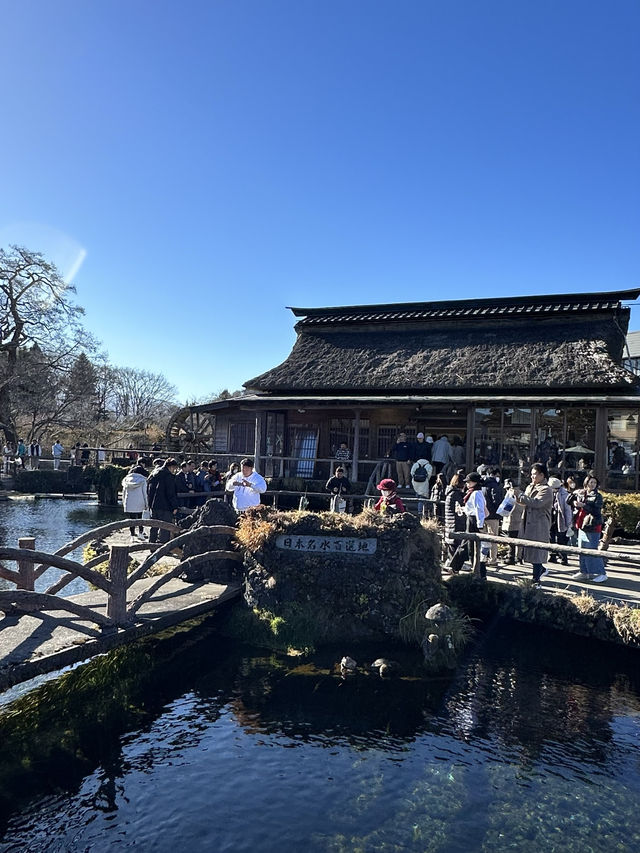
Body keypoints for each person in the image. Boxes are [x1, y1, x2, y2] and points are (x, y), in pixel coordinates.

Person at [515, 462, 553, 585]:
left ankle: (536, 580)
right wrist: (515, 497)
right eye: (531, 474)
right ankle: (540, 570)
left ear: (542, 475)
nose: (532, 477)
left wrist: (520, 495)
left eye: (535, 474)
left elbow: (536, 503)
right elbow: (525, 502)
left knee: (537, 551)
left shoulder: (547, 489)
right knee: (529, 550)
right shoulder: (530, 487)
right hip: (527, 521)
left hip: (539, 524)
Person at [449, 472, 487, 578]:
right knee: (467, 545)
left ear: (475, 482)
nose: (467, 484)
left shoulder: (476, 493)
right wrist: (462, 509)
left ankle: (457, 567)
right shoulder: (472, 493)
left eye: (469, 482)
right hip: (471, 519)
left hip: (474, 521)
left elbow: (479, 510)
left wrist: (480, 524)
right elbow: (472, 509)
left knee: (470, 545)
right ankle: (456, 567)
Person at [572, 474, 607, 583]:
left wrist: (583, 505)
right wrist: (575, 498)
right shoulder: (582, 493)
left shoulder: (597, 496)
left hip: (592, 526)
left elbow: (597, 511)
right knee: (581, 549)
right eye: (590, 482)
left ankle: (601, 573)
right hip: (581, 525)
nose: (592, 484)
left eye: (594, 483)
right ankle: (584, 571)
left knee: (592, 550)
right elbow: (570, 501)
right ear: (586, 483)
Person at [147, 458, 180, 544]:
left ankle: (151, 545)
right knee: (165, 528)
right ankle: (162, 547)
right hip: (165, 505)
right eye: (174, 468)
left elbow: (149, 490)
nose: (175, 470)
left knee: (154, 526)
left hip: (154, 505)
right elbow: (170, 493)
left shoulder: (154, 474)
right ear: (171, 467)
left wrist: (149, 504)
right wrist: (175, 506)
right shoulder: (168, 476)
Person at [482, 466, 505, 567]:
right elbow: (496, 500)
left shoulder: (482, 484)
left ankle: (483, 558)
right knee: (493, 538)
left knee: (483, 538)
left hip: (483, 515)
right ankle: (493, 559)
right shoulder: (494, 485)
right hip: (493, 515)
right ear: (495, 475)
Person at [548, 476, 573, 566]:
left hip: (561, 519)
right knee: (551, 538)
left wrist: (569, 523)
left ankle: (563, 557)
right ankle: (552, 556)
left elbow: (567, 510)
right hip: (552, 518)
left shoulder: (564, 494)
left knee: (562, 539)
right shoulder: (550, 494)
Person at [443, 473, 465, 568]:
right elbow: (461, 506)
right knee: (456, 543)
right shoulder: (456, 494)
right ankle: (455, 564)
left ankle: (450, 562)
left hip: (449, 521)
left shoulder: (449, 492)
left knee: (451, 544)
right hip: (455, 522)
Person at [122, 464, 149, 537]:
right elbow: (145, 493)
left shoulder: (126, 480)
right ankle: (141, 533)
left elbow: (124, 494)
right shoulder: (143, 480)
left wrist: (124, 503)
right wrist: (147, 504)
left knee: (131, 519)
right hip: (140, 502)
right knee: (140, 518)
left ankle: (132, 534)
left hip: (129, 503)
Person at [501, 479, 525, 565]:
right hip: (520, 519)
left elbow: (507, 507)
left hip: (512, 519)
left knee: (511, 540)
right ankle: (519, 557)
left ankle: (511, 557)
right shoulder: (522, 493)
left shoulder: (511, 494)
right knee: (519, 540)